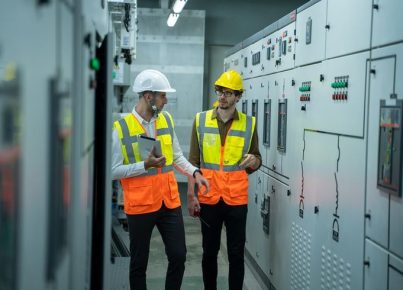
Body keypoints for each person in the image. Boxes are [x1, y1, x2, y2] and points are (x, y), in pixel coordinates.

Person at [112, 69, 209, 290]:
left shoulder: (165, 120)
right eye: (163, 95)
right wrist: (144, 166)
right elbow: (113, 170)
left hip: (169, 202)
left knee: (178, 256)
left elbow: (176, 157)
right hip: (140, 205)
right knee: (139, 264)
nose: (166, 100)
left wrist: (194, 172)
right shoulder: (121, 128)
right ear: (149, 96)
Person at [187, 70, 262, 290]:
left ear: (238, 97)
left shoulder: (249, 124)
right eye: (220, 91)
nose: (222, 96)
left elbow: (257, 159)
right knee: (209, 253)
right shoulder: (200, 120)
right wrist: (192, 196)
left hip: (236, 201)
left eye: (228, 93)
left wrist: (253, 161)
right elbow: (192, 163)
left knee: (236, 255)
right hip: (209, 198)